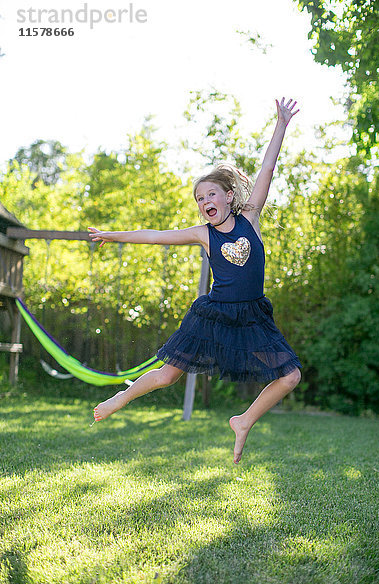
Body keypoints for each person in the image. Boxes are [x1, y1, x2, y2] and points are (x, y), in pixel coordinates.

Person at [88, 97, 302, 464]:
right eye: (200, 198)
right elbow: (155, 235)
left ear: (229, 196)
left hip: (251, 316)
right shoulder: (204, 234)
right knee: (168, 375)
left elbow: (268, 167)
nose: (205, 201)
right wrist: (115, 235)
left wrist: (281, 124)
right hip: (215, 314)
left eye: (211, 194)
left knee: (290, 376)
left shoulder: (250, 219)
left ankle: (243, 421)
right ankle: (119, 398)